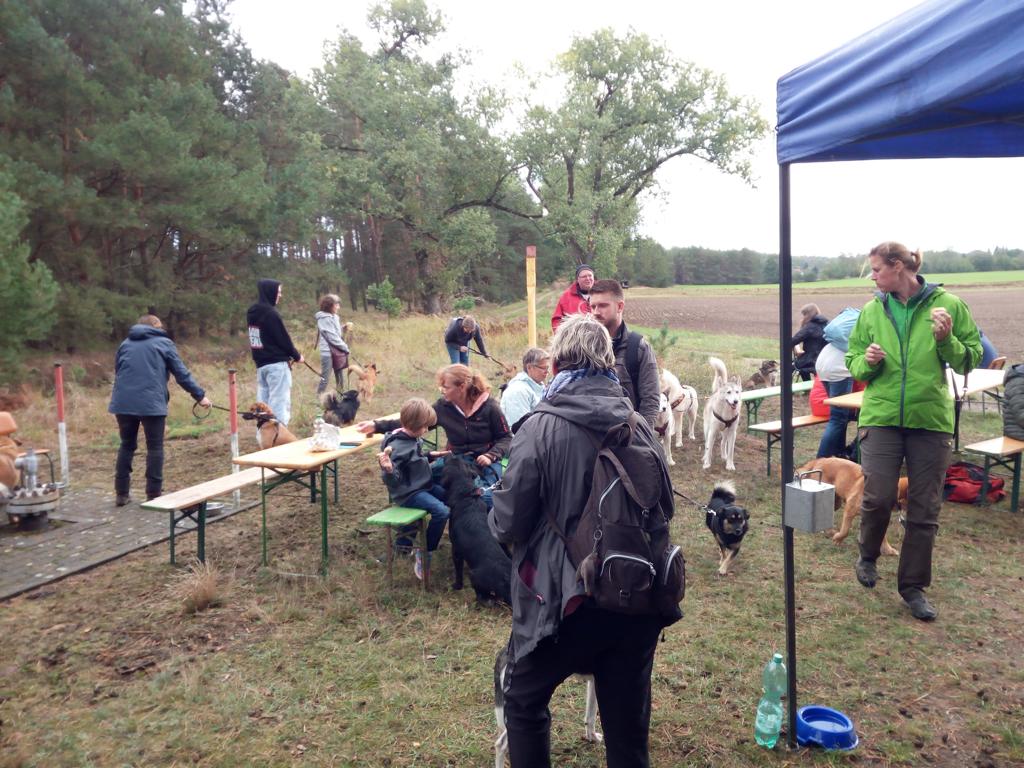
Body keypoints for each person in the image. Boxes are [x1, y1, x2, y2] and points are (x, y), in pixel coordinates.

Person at [489, 314, 676, 767]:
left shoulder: (538, 427)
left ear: (555, 365)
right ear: (610, 363)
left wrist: (496, 518)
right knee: (627, 731)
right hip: (636, 594)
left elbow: (508, 521)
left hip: (562, 604)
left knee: (523, 701)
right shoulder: (638, 423)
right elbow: (665, 508)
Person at [846, 241, 981, 622]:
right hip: (882, 416)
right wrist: (867, 361)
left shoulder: (949, 306)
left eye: (876, 269)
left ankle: (913, 587)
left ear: (897, 266)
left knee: (924, 508)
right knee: (878, 496)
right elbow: (853, 361)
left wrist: (946, 340)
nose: (873, 277)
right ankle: (868, 555)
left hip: (930, 421)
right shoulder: (872, 310)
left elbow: (971, 358)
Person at [357, 364, 511, 507]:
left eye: (446, 387)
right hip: (456, 460)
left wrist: (491, 455)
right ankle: (433, 515)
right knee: (424, 481)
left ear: (462, 387)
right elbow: (412, 422)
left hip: (487, 462)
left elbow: (506, 437)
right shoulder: (443, 407)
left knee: (485, 498)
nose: (442, 390)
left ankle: (489, 524)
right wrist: (376, 426)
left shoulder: (490, 407)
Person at [108, 315, 211, 505]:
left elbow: (118, 370)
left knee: (126, 445)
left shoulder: (125, 344)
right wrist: (200, 396)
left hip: (123, 403)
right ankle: (154, 494)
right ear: (156, 327)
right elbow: (181, 373)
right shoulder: (164, 343)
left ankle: (121, 494)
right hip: (151, 403)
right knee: (155, 448)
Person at [377, 398, 450, 580]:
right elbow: (394, 481)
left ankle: (403, 546)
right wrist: (389, 470)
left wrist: (430, 456)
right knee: (441, 512)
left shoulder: (410, 437)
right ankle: (425, 552)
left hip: (422, 485)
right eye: (425, 427)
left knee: (451, 497)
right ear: (414, 425)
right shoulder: (397, 447)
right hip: (409, 494)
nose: (426, 430)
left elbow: (414, 459)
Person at [587, 279, 660, 428]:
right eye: (593, 306)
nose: (595, 312)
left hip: (626, 436)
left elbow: (650, 401)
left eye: (602, 305)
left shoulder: (638, 348)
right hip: (589, 435)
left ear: (620, 306)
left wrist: (640, 437)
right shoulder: (583, 347)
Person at [247, 279, 303, 425]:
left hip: (261, 365)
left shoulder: (252, 312)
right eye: (278, 292)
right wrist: (297, 356)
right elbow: (283, 340)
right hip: (277, 367)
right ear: (270, 292)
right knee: (279, 405)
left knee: (262, 407)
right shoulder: (271, 314)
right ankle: (279, 435)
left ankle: (263, 436)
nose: (280, 295)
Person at [500, 347, 550, 432]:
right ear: (529, 367)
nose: (547, 372)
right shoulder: (518, 391)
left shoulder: (538, 386)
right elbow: (520, 429)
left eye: (547, 368)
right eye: (543, 368)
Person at [314, 294, 350, 394]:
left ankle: (341, 397)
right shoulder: (324, 318)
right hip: (327, 352)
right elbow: (332, 337)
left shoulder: (334, 317)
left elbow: (335, 332)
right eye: (336, 304)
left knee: (340, 376)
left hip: (336, 351)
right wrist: (345, 347)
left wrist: (343, 328)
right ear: (329, 305)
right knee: (325, 377)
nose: (338, 307)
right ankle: (319, 398)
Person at [550, 264, 595, 332]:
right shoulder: (566, 297)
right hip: (575, 337)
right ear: (577, 279)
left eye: (590, 275)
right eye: (584, 276)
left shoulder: (602, 294)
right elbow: (557, 321)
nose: (588, 278)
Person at [791, 303, 829, 381]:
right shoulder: (827, 324)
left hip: (811, 359)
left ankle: (789, 387)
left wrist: (796, 348)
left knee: (790, 367)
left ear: (807, 315)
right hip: (826, 358)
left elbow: (793, 341)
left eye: (804, 315)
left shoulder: (810, 327)